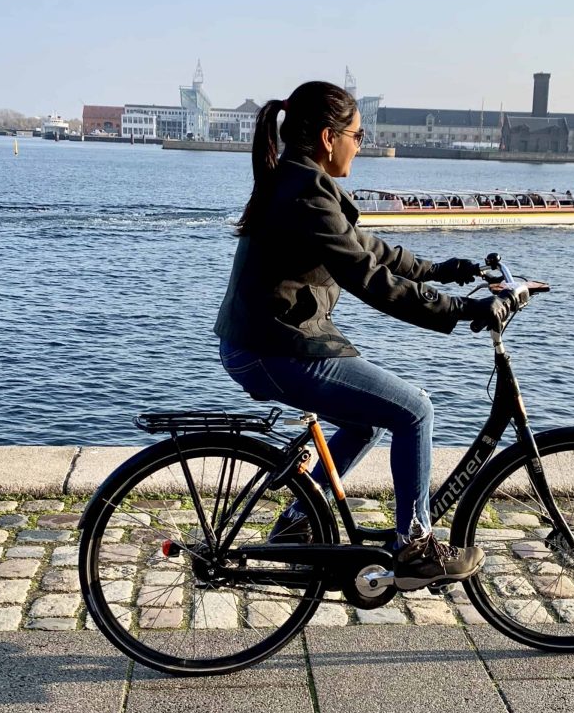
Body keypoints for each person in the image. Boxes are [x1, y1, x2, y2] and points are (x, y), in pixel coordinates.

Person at [214, 81, 509, 590]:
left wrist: (440, 270)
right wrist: (462, 310)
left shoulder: (300, 181)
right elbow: (369, 279)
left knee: (367, 422)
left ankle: (297, 523)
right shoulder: (305, 192)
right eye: (358, 134)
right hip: (276, 346)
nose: (361, 144)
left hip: (268, 341)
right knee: (414, 410)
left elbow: (371, 251)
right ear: (330, 138)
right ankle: (416, 548)